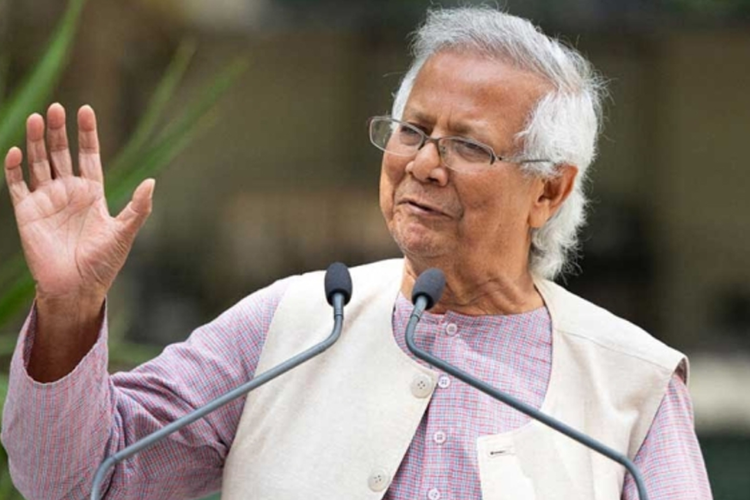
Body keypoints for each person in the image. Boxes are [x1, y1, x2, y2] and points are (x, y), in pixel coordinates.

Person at [1, 7, 711, 500]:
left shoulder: (632, 385)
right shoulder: (290, 325)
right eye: (412, 131)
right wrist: (70, 308)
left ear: (549, 190)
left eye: (467, 145)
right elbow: (77, 480)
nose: (424, 164)